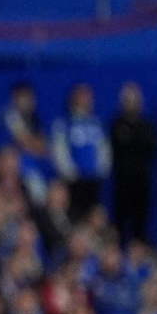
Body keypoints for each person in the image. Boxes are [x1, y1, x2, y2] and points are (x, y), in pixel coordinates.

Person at [109, 82, 157, 247]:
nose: (130, 103)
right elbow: (116, 149)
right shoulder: (115, 125)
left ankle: (139, 258)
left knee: (140, 223)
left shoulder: (147, 126)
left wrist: (130, 140)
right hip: (121, 182)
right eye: (127, 100)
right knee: (120, 223)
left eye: (133, 99)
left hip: (141, 182)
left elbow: (149, 149)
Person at [52, 83, 109, 221]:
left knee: (93, 216)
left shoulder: (96, 123)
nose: (86, 100)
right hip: (73, 181)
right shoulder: (63, 123)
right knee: (74, 216)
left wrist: (102, 169)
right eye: (82, 96)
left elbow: (103, 149)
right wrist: (69, 172)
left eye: (88, 97)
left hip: (93, 180)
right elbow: (59, 150)